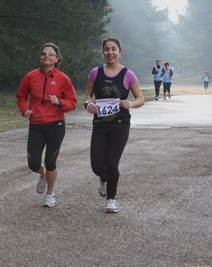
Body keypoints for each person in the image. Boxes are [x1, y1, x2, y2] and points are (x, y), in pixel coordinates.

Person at [84, 37, 144, 213]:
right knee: (97, 165)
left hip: (120, 125)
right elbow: (87, 95)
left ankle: (111, 199)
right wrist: (88, 104)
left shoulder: (128, 74)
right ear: (103, 52)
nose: (110, 53)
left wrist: (130, 104)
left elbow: (140, 98)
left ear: (120, 52)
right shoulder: (95, 73)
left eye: (113, 49)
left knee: (111, 163)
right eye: (107, 49)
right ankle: (103, 178)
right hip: (100, 125)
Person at [16, 43, 77, 208]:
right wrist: (24, 110)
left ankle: (50, 194)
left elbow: (72, 103)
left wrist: (59, 102)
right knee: (33, 163)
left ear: (57, 59)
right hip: (36, 124)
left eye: (51, 54)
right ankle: (43, 175)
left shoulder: (63, 78)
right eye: (44, 53)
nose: (46, 56)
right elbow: (21, 96)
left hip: (55, 125)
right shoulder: (30, 76)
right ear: (40, 57)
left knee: (51, 162)